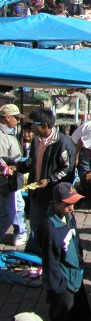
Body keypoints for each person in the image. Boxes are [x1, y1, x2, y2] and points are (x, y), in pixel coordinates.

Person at [20, 108, 75, 254]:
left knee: (53, 226)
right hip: (37, 193)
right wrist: (17, 167)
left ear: (44, 125)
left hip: (52, 195)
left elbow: (67, 169)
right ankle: (34, 255)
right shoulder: (37, 141)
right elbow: (32, 162)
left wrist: (49, 180)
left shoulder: (63, 142)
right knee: (36, 225)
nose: (31, 127)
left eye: (34, 124)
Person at [38, 183, 90, 321]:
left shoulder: (69, 216)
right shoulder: (49, 228)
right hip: (63, 281)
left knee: (83, 312)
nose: (72, 208)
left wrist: (80, 262)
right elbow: (50, 260)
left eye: (74, 203)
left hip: (75, 275)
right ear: (56, 203)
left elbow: (76, 239)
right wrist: (59, 286)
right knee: (63, 313)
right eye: (67, 204)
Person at [0, 104, 26, 247]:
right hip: (6, 179)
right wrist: (3, 184)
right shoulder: (1, 136)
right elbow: (1, 163)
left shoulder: (10, 132)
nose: (18, 120)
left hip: (13, 177)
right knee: (9, 213)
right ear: (7, 117)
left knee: (18, 206)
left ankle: (21, 231)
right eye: (15, 117)